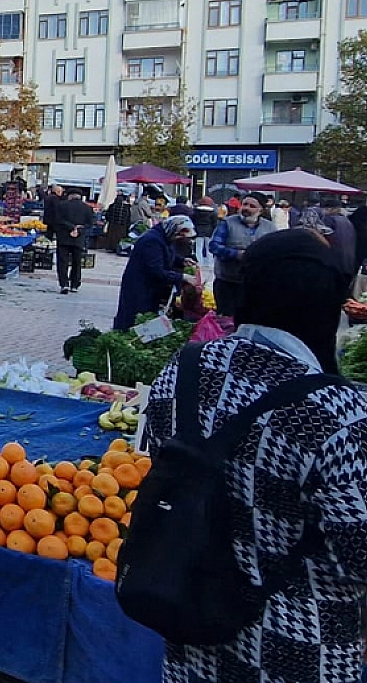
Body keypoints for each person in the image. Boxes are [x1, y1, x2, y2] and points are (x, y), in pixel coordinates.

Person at [140, 229, 366, 683]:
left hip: (193, 626)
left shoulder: (184, 370)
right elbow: (358, 552)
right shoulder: (338, 412)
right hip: (301, 648)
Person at [113, 216, 196, 331]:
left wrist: (181, 260)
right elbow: (156, 270)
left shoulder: (166, 237)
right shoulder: (152, 240)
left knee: (145, 318)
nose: (180, 239)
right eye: (179, 235)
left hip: (150, 287)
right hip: (140, 286)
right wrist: (182, 277)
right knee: (135, 318)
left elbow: (165, 255)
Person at [208, 195, 271, 319]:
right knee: (227, 320)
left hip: (254, 284)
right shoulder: (227, 223)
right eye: (245, 204)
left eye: (252, 206)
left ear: (260, 211)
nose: (246, 208)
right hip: (227, 282)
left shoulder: (269, 228)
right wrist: (236, 254)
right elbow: (214, 246)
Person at [51, 188, 95, 294]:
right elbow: (90, 224)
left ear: (70, 196)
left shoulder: (62, 205)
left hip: (64, 237)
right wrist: (78, 229)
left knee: (62, 262)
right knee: (77, 262)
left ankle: (64, 284)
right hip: (79, 239)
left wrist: (71, 227)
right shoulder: (87, 208)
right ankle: (74, 284)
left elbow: (58, 220)